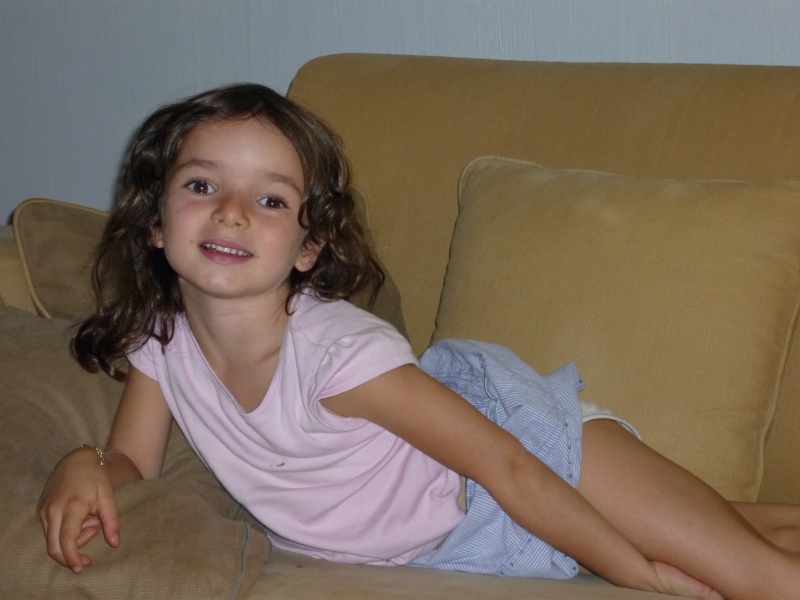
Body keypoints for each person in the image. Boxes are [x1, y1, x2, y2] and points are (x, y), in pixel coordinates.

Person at [36, 83, 800, 600]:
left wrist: (638, 576)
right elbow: (131, 459)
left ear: (308, 247)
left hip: (534, 455)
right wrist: (83, 462)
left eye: (270, 199)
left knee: (764, 579)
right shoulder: (163, 342)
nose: (231, 211)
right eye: (202, 185)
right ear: (155, 221)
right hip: (467, 538)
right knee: (754, 533)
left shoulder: (336, 355)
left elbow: (507, 465)